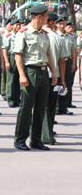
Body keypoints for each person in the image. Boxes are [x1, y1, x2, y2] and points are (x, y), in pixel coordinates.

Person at [12, 4, 57, 151]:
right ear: (39, 16)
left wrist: (53, 72)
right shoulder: (23, 33)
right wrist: (22, 75)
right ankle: (19, 139)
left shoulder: (44, 34)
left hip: (43, 72)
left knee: (40, 107)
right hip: (30, 72)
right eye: (46, 15)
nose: (47, 18)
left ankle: (36, 140)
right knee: (26, 107)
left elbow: (48, 54)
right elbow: (18, 55)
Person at [41, 12, 66, 145]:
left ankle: (41, 134)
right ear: (51, 22)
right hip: (55, 76)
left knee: (40, 106)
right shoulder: (58, 38)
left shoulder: (40, 35)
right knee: (50, 107)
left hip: (42, 75)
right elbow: (62, 61)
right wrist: (62, 79)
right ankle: (48, 135)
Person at [56, 18, 76, 115]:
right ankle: (56, 107)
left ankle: (64, 107)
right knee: (57, 84)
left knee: (67, 84)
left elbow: (73, 50)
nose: (62, 26)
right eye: (60, 24)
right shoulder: (54, 35)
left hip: (68, 61)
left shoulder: (70, 37)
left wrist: (74, 63)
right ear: (56, 24)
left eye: (64, 23)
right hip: (58, 62)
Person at [3, 18, 22, 107]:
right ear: (12, 26)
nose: (18, 26)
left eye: (19, 25)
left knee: (19, 78)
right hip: (11, 56)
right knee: (11, 79)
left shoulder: (21, 35)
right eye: (16, 25)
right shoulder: (9, 36)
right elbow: (5, 49)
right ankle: (10, 99)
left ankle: (17, 99)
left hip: (20, 57)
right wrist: (7, 61)